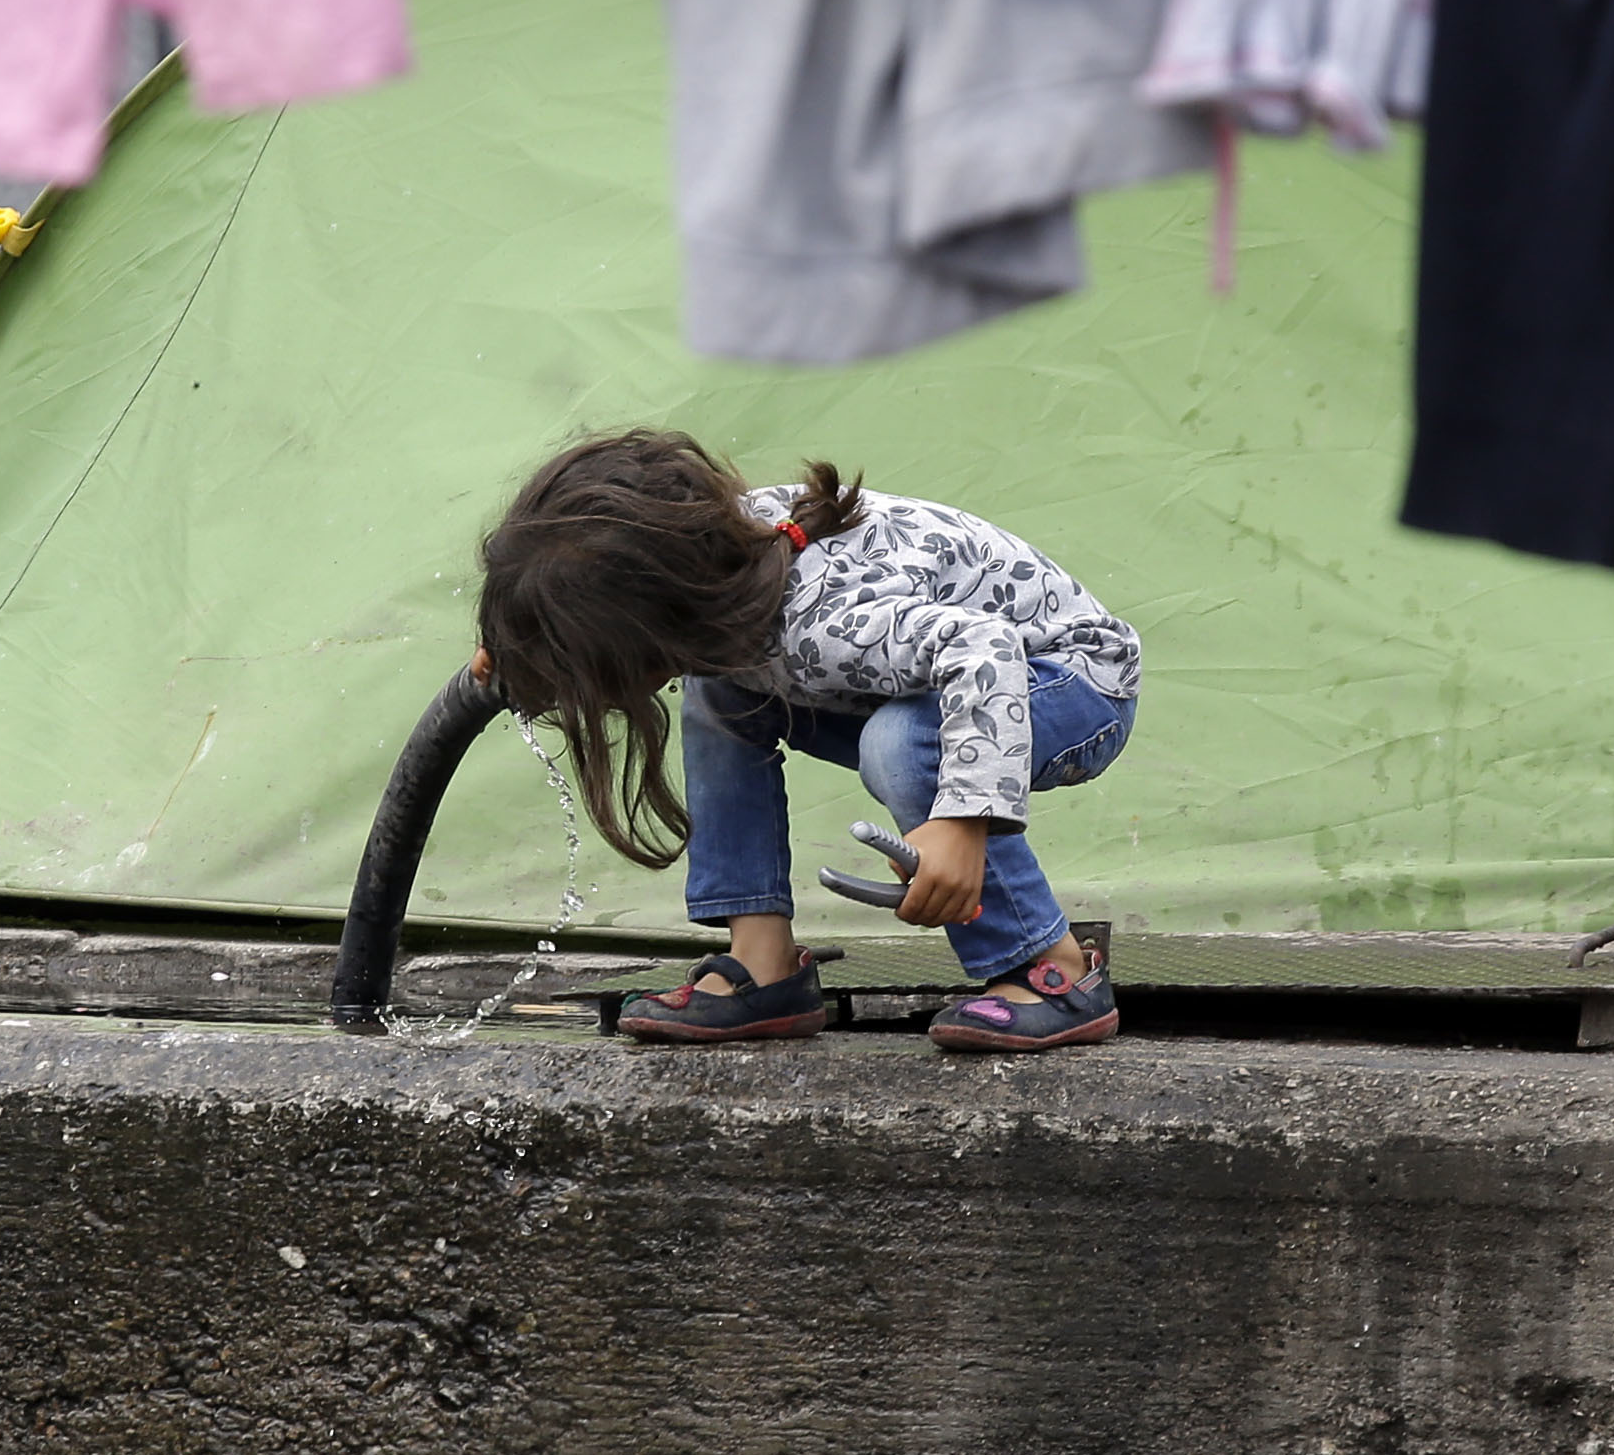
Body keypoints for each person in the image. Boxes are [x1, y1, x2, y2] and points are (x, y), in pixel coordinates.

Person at [471, 429, 1141, 1052]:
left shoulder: (824, 625)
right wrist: (517, 648)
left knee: (902, 743)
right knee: (719, 692)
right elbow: (593, 578)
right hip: (933, 678)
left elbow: (984, 647)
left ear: (648, 626)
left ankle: (1053, 967)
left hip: (1074, 683)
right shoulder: (707, 572)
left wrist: (963, 819)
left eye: (579, 660)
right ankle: (763, 960)